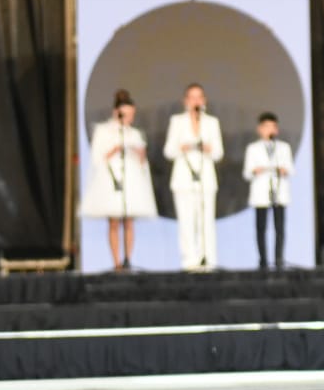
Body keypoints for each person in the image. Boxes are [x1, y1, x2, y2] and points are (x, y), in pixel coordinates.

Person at [79, 89, 157, 270]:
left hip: (131, 179)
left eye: (131, 115)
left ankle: (128, 258)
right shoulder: (104, 131)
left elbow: (142, 162)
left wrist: (139, 153)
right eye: (125, 114)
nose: (128, 118)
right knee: (114, 221)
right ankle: (115, 262)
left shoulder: (135, 134)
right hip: (111, 178)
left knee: (129, 220)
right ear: (117, 112)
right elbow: (97, 158)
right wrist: (115, 148)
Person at [163, 83, 225, 271]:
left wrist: (208, 148)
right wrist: (182, 147)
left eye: (199, 97)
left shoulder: (212, 122)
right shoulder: (177, 121)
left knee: (206, 221)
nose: (196, 101)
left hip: (206, 178)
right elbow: (168, 151)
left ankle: (208, 259)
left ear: (204, 100)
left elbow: (219, 153)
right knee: (186, 221)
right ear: (185, 101)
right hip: (183, 178)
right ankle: (189, 260)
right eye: (192, 97)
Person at [243, 111, 294, 269]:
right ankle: (263, 259)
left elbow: (290, 169)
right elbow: (247, 172)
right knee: (261, 228)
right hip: (261, 192)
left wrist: (283, 170)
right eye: (266, 127)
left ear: (277, 129)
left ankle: (279, 258)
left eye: (273, 127)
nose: (270, 130)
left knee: (279, 228)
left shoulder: (283, 148)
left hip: (278, 191)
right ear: (260, 129)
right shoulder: (253, 148)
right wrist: (256, 171)